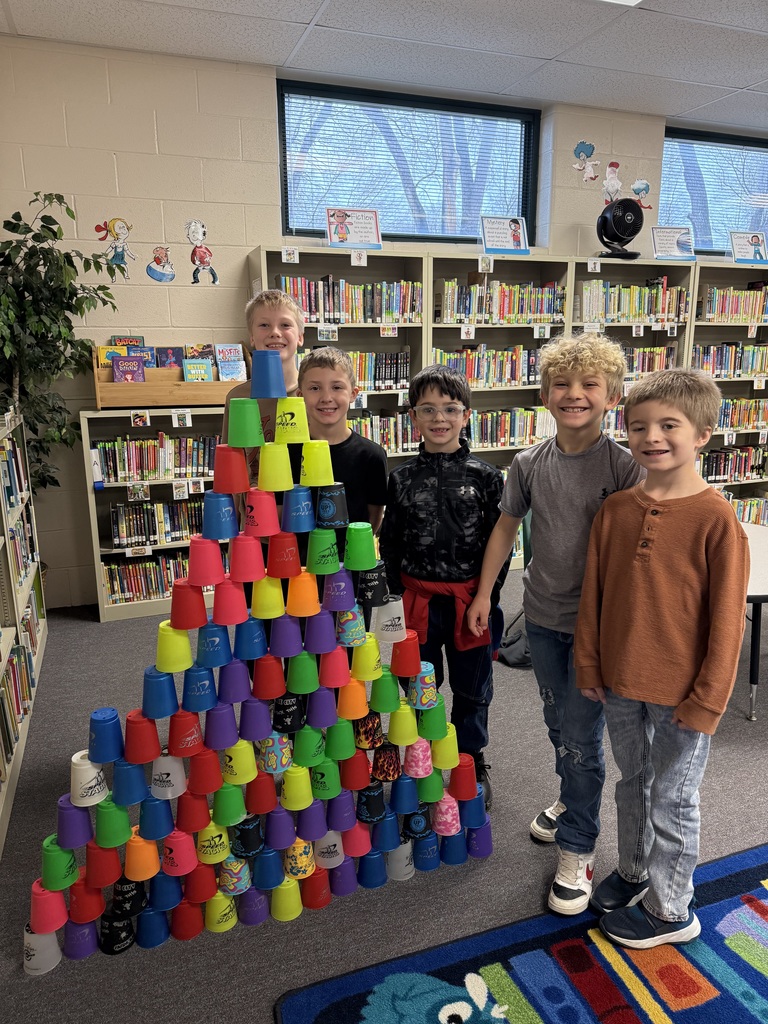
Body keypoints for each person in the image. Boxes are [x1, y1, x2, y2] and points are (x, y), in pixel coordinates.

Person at [466, 334, 645, 915]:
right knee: (559, 726)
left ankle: (578, 848)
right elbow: (506, 527)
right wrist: (484, 592)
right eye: (562, 385)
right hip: (541, 619)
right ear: (544, 395)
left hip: (597, 630)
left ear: (612, 395)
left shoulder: (625, 467)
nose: (575, 395)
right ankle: (574, 801)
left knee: (582, 739)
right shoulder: (527, 462)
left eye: (589, 384)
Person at [574, 368, 749, 948]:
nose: (652, 436)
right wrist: (590, 664)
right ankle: (633, 872)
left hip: (683, 695)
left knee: (674, 798)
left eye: (669, 425)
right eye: (639, 426)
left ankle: (672, 909)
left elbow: (727, 624)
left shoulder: (717, 518)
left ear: (702, 433)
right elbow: (595, 594)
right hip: (621, 682)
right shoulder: (618, 509)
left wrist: (707, 701)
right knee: (633, 783)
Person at [380, 364, 510, 807]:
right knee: (419, 686)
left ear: (467, 414)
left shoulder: (487, 477)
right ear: (413, 418)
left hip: (471, 602)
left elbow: (502, 543)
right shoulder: (399, 479)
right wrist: (394, 599)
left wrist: (485, 598)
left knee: (474, 686)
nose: (440, 418)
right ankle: (426, 758)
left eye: (450, 409)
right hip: (415, 601)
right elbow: (390, 544)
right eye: (428, 409)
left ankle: (471, 757)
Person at [293, 346, 387, 546]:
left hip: (351, 564)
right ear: (300, 395)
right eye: (315, 388)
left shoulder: (372, 456)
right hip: (299, 567)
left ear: (353, 394)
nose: (326, 398)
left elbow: (374, 518)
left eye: (337, 387)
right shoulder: (288, 452)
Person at [222, 288, 306, 486]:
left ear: (300, 337)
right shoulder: (238, 398)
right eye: (264, 325)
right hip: (253, 506)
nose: (275, 333)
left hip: (303, 504)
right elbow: (229, 459)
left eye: (285, 325)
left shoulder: (313, 393)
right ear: (251, 337)